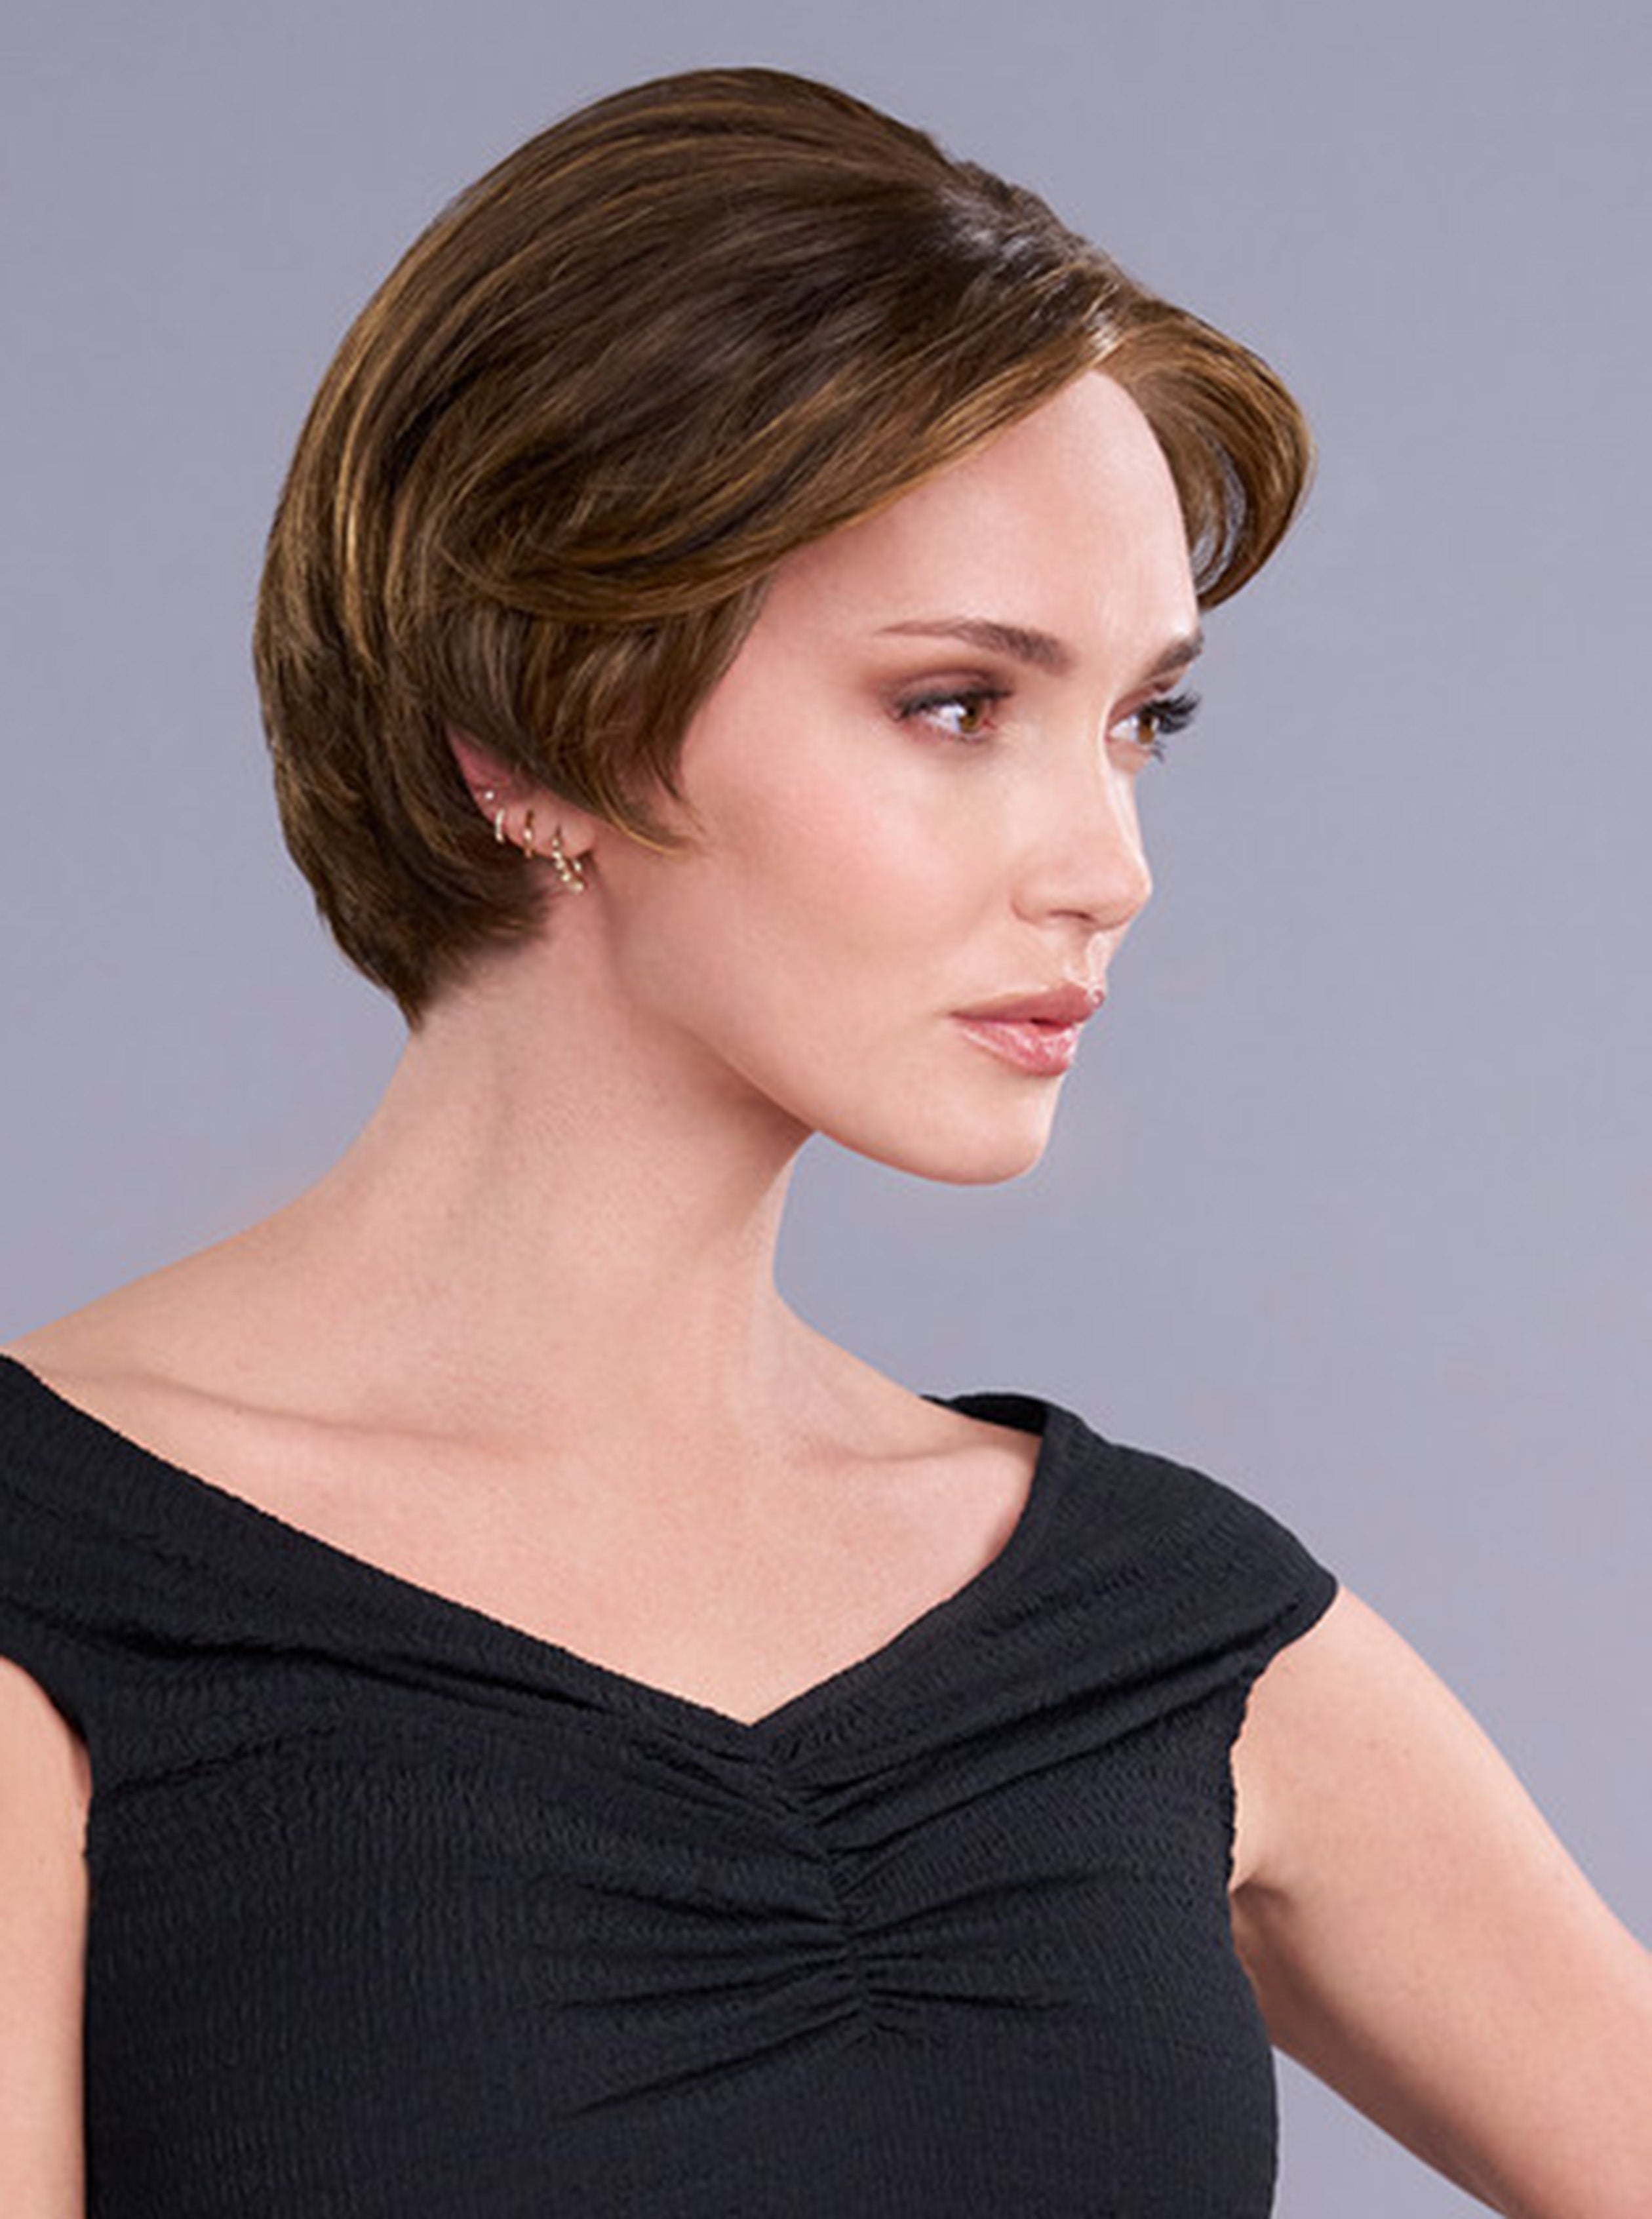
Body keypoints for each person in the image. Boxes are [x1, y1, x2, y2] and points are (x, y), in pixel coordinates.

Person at [0, 64, 1645, 2218]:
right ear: (526, 726)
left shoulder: (1161, 1630)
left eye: (1143, 721)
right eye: (957, 705)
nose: (1111, 865)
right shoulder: (61, 1592)